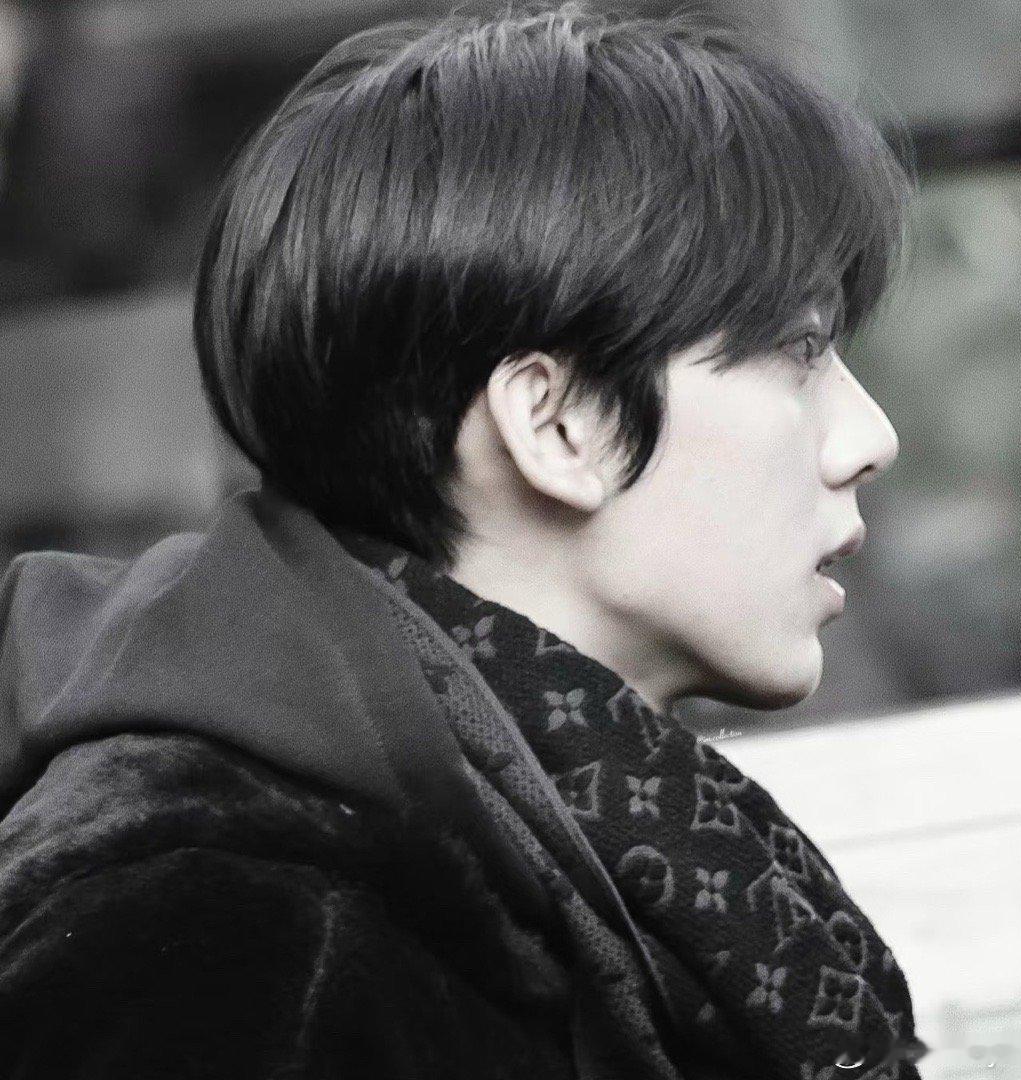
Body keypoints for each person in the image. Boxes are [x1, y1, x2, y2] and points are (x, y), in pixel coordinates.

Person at [0, 4, 927, 1077]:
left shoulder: (571, 848)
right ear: (558, 424)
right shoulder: (226, 938)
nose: (869, 438)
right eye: (798, 351)